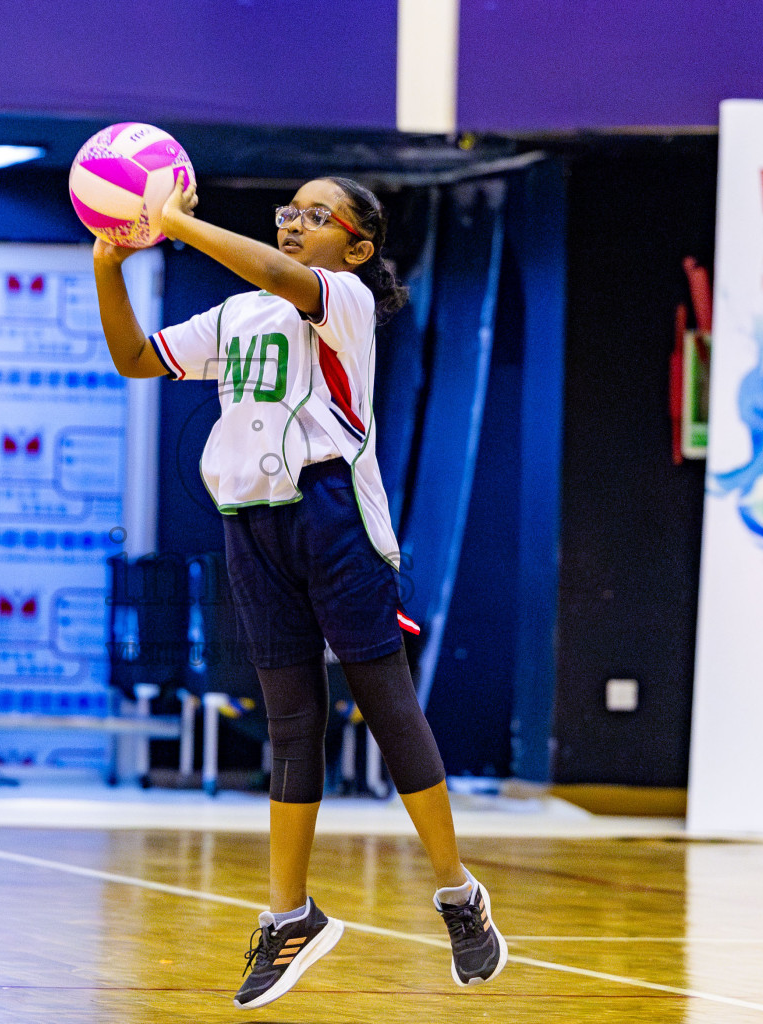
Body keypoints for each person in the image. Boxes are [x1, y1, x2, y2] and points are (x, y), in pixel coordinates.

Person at [94, 175, 507, 1010]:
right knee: (290, 721)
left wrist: (175, 223)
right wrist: (110, 265)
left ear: (357, 247)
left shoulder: (343, 298)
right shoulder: (234, 316)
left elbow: (286, 281)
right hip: (251, 517)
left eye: (319, 216)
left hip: (333, 511)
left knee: (387, 705)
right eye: (289, 211)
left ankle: (459, 895)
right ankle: (290, 914)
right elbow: (135, 358)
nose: (295, 223)